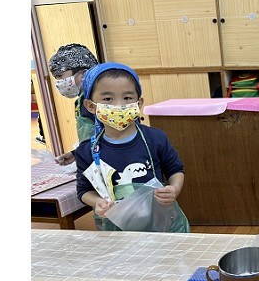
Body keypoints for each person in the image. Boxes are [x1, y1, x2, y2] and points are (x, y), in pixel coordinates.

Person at [74, 62, 190, 232]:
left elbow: (175, 170)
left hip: (160, 223)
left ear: (139, 102)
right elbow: (83, 190)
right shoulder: (87, 151)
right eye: (108, 99)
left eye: (127, 98)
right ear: (91, 106)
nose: (119, 105)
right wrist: (97, 201)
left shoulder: (155, 138)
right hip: (117, 228)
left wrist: (174, 188)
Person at [48, 43, 99, 165]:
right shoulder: (81, 100)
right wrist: (77, 154)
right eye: (56, 78)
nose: (58, 82)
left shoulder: (94, 101)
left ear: (83, 75)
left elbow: (108, 138)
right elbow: (91, 140)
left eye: (60, 76)